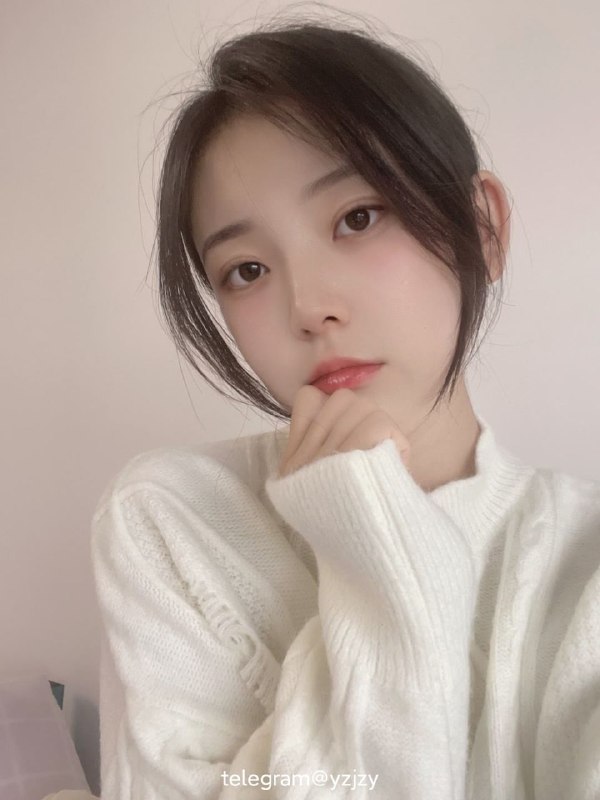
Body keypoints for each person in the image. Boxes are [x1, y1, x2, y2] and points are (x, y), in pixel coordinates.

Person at [90, 10, 600, 800]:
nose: (309, 307)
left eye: (357, 218)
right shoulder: (172, 519)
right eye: (247, 270)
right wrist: (379, 560)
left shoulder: (584, 556)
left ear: (483, 228)